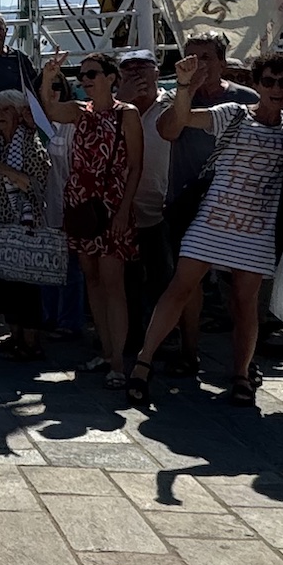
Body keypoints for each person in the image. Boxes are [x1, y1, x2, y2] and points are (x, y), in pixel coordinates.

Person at [127, 49, 283, 409]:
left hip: (255, 227)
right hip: (211, 220)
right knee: (179, 289)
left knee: (245, 303)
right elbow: (178, 124)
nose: (275, 88)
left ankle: (241, 373)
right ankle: (143, 363)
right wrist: (183, 87)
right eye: (267, 81)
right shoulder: (234, 114)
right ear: (254, 84)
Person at [39, 49, 143, 386]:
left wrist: (125, 209)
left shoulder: (126, 114)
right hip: (81, 203)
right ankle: (107, 350)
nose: (85, 80)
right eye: (82, 75)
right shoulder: (78, 112)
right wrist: (49, 77)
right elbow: (49, 110)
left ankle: (118, 361)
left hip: (112, 203)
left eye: (92, 74)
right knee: (93, 280)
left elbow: (135, 165)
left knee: (113, 283)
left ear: (111, 78)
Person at [159, 30, 258, 375]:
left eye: (205, 58)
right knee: (188, 284)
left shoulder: (248, 99)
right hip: (189, 200)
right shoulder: (178, 97)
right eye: (190, 57)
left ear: (221, 61)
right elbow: (169, 131)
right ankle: (189, 351)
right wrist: (184, 91)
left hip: (237, 203)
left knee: (241, 288)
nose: (198, 65)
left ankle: (244, 363)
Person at [0, 88, 53, 362]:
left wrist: (1, 169)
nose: (0, 115)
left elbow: (37, 181)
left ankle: (31, 342)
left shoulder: (29, 141)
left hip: (26, 222)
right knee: (7, 283)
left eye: (6, 110)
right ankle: (14, 336)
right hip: (2, 222)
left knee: (27, 285)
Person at [117, 50, 177, 367]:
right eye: (128, 70)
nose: (137, 75)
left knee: (163, 278)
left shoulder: (171, 104)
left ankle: (162, 338)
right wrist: (121, 100)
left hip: (163, 208)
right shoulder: (111, 109)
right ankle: (128, 336)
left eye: (143, 69)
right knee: (125, 280)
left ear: (157, 72)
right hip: (122, 210)